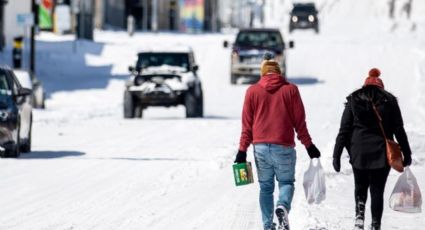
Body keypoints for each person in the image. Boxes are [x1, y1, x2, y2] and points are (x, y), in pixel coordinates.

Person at [234, 52, 321, 230]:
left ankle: (268, 226)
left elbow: (247, 126)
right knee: (286, 183)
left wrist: (242, 151)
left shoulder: (252, 91)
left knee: (266, 188)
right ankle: (282, 206)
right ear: (278, 72)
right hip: (284, 147)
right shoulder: (291, 90)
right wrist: (309, 146)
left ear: (262, 72)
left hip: (260, 148)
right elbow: (300, 123)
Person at [333, 68, 412, 230]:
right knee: (377, 190)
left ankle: (359, 217)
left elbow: (344, 130)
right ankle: (375, 224)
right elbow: (399, 129)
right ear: (380, 86)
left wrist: (337, 155)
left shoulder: (353, 101)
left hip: (359, 152)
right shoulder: (389, 101)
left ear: (365, 85)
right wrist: (406, 152)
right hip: (381, 153)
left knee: (360, 186)